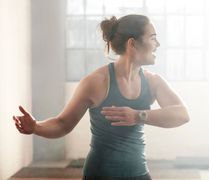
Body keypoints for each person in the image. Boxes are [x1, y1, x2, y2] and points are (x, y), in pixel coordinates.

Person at [12, 14, 190, 180]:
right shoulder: (95, 82)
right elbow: (63, 124)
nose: (157, 44)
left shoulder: (153, 82)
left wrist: (138, 115)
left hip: (139, 174)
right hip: (99, 175)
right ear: (132, 43)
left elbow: (182, 115)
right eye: (152, 37)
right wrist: (36, 127)